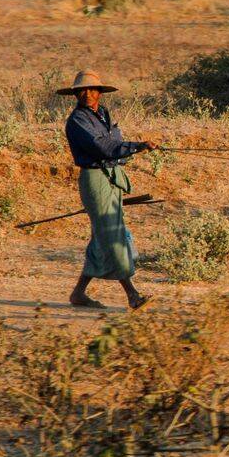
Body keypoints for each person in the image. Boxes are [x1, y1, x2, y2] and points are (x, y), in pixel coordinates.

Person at [58, 70, 158, 309]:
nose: (86, 94)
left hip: (111, 177)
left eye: (92, 89)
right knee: (111, 235)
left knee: (103, 236)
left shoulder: (102, 115)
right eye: (81, 90)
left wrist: (133, 148)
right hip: (95, 179)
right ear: (75, 95)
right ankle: (132, 295)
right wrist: (137, 146)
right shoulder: (78, 120)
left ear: (100, 93)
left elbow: (113, 143)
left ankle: (78, 293)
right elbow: (102, 146)